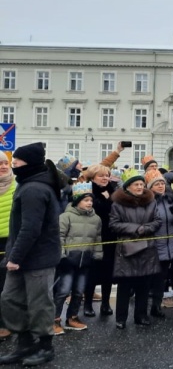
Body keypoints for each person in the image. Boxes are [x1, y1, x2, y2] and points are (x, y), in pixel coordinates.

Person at [0, 143, 62, 366]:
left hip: (38, 258)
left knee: (39, 304)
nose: (13, 165)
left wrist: (14, 258)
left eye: (16, 161)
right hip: (23, 255)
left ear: (29, 163)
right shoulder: (29, 184)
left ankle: (45, 347)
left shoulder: (34, 189)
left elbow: (31, 228)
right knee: (10, 299)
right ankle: (24, 344)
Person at [109, 169, 162, 329]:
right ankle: (121, 318)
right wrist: (135, 228)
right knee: (125, 286)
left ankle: (141, 316)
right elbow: (114, 224)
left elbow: (157, 220)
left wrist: (144, 229)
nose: (140, 187)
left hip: (147, 248)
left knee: (144, 285)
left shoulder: (151, 201)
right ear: (128, 187)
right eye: (136, 184)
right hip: (127, 249)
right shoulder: (118, 204)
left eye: (141, 184)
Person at [54, 181, 102, 333]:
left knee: (79, 291)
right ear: (77, 201)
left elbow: (98, 238)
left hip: (85, 260)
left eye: (91, 200)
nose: (89, 203)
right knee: (63, 290)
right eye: (86, 200)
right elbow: (59, 237)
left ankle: (72, 317)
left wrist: (97, 255)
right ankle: (54, 319)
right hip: (68, 260)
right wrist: (61, 256)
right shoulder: (65, 217)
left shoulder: (96, 219)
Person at [80, 163, 118, 318]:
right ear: (93, 177)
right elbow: (96, 210)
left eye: (107, 175)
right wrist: (108, 202)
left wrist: (110, 201)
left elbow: (116, 211)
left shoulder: (113, 190)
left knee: (108, 272)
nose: (105, 178)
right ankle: (87, 304)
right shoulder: (87, 191)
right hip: (93, 237)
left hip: (110, 236)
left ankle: (105, 303)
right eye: (101, 175)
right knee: (92, 272)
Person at [146, 170, 173, 318]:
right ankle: (146, 306)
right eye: (157, 184)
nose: (160, 186)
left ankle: (156, 306)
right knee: (151, 278)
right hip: (154, 244)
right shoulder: (148, 201)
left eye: (162, 183)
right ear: (150, 187)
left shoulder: (170, 198)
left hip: (169, 243)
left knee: (162, 277)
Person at [0, 153, 16, 340]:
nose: (3, 166)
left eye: (6, 163)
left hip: (9, 240)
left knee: (6, 286)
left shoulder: (17, 185)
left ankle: (5, 323)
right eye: (0, 164)